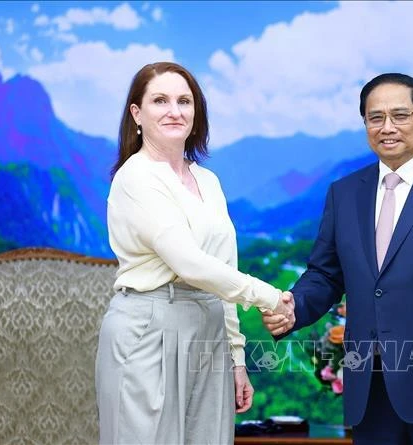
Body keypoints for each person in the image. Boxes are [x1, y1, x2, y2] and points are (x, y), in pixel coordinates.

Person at [263, 73, 413, 444]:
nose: (387, 127)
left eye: (400, 115)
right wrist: (294, 307)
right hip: (370, 394)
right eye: (375, 118)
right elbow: (326, 275)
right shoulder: (344, 193)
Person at [95, 61, 294, 445]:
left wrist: (237, 357)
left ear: (196, 112)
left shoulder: (208, 180)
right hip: (147, 328)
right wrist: (270, 297)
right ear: (137, 113)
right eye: (160, 100)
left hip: (209, 330)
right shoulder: (135, 177)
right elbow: (188, 262)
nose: (174, 110)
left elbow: (222, 270)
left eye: (184, 101)